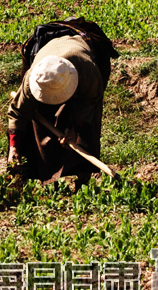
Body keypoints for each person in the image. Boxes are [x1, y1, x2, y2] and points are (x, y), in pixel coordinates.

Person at [6, 18, 119, 192]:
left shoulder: (89, 71)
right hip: (50, 51)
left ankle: (83, 177)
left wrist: (75, 128)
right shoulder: (32, 79)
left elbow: (89, 103)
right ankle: (42, 177)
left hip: (83, 59)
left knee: (88, 124)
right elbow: (17, 114)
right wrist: (14, 147)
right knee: (37, 120)